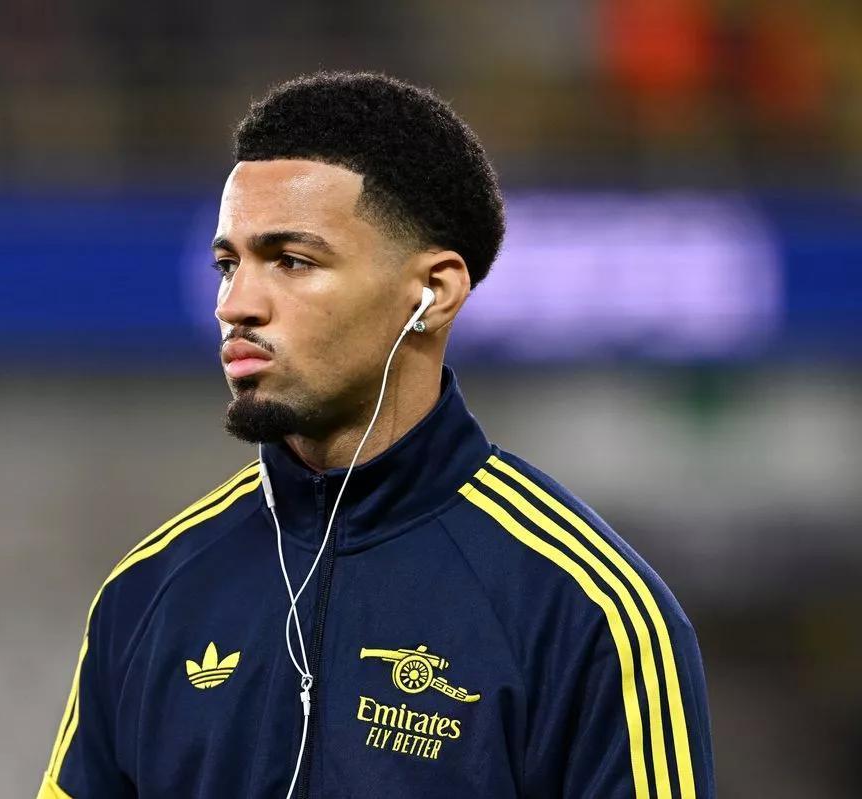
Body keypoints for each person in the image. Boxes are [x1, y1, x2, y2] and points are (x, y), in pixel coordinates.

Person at [38, 71, 715, 799]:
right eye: (228, 264)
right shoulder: (148, 591)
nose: (236, 304)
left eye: (292, 261)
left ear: (434, 292)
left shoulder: (589, 612)